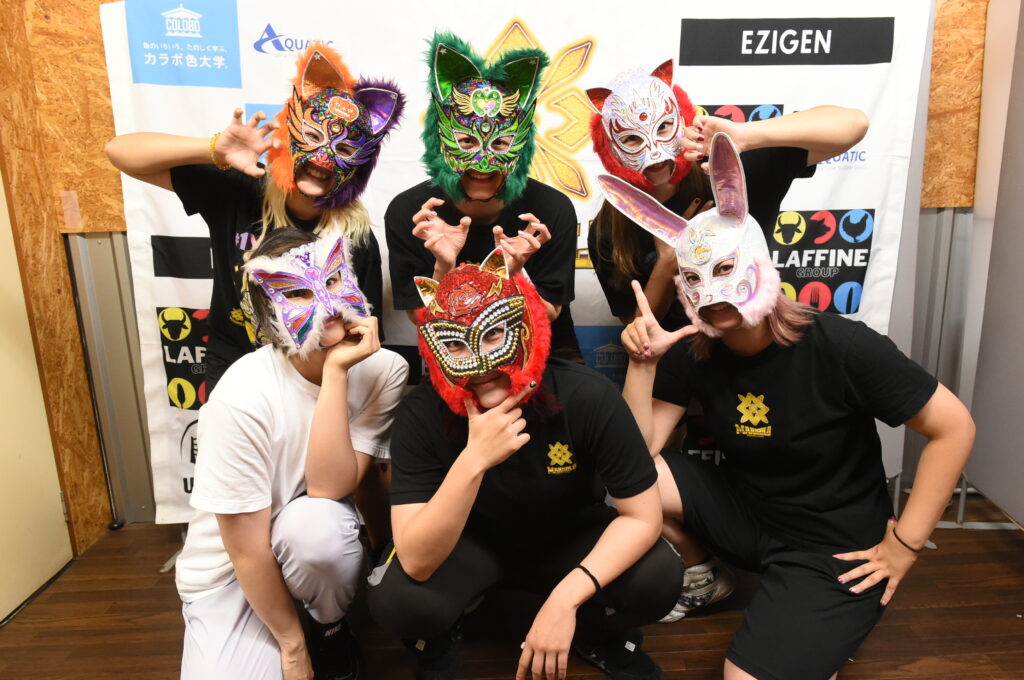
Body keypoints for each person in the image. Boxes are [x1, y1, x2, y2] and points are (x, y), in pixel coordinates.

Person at [608, 133, 975, 680]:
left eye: (725, 270)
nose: (713, 292)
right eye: (694, 279)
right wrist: (642, 364)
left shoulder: (840, 346)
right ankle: (708, 576)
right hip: (753, 519)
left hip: (833, 544)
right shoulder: (696, 349)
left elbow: (954, 427)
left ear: (758, 262)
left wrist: (904, 545)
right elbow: (636, 459)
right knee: (631, 483)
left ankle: (815, 619)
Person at [366, 248, 681, 680]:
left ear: (527, 328)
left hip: (567, 538)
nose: (480, 362)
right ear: (435, 349)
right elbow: (417, 559)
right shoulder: (421, 412)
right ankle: (444, 635)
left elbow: (644, 517)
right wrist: (473, 460)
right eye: (455, 344)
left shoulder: (585, 394)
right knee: (397, 598)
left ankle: (591, 631)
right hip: (470, 546)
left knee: (658, 574)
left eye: (494, 334)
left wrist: (567, 599)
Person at [174, 227, 408, 680]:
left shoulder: (385, 370)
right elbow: (245, 550)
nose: (326, 301)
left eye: (333, 279)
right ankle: (298, 631)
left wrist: (336, 372)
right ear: (267, 315)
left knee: (314, 526)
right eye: (298, 291)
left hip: (308, 541)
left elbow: (327, 487)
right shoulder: (240, 396)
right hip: (230, 570)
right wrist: (291, 647)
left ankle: (329, 628)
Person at [104, 41, 404, 393]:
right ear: (289, 134)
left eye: (345, 149)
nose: (322, 158)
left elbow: (359, 336)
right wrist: (213, 150)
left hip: (314, 384)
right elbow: (119, 151)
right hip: (234, 373)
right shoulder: (241, 189)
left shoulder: (354, 237)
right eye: (312, 136)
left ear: (360, 167)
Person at [585, 59, 868, 329]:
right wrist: (667, 263)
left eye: (663, 126)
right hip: (681, 354)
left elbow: (854, 124)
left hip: (759, 341)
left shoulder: (731, 171)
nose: (652, 150)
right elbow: (637, 330)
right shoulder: (609, 227)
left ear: (681, 119)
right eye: (631, 138)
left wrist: (745, 136)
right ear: (609, 146)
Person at [386, 32, 582, 361]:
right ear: (439, 139)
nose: (483, 162)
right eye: (466, 141)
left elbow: (548, 314)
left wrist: (516, 273)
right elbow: (422, 319)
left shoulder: (550, 209)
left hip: (542, 353)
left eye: (500, 144)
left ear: (521, 144)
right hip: (454, 356)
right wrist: (444, 265)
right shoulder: (411, 213)